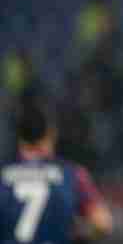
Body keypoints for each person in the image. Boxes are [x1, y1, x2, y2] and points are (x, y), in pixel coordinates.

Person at [0, 103, 113, 244]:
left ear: (19, 136)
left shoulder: (3, 174)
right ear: (50, 135)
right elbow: (102, 223)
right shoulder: (72, 174)